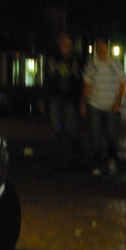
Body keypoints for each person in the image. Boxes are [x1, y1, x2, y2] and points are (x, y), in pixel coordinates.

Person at [80, 38, 126, 175]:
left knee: (112, 135)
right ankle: (97, 163)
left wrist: (117, 102)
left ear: (107, 48)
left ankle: (111, 159)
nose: (100, 50)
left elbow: (122, 85)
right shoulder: (91, 65)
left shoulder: (115, 64)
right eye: (98, 47)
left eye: (103, 47)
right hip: (94, 105)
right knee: (95, 136)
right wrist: (83, 103)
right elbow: (87, 86)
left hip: (111, 105)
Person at [44, 31, 82, 170]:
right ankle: (60, 157)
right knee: (57, 127)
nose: (64, 44)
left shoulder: (75, 58)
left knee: (70, 127)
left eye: (66, 42)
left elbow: (79, 79)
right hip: (55, 97)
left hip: (70, 98)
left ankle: (75, 152)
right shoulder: (53, 57)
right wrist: (44, 98)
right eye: (61, 42)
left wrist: (80, 98)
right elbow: (48, 77)